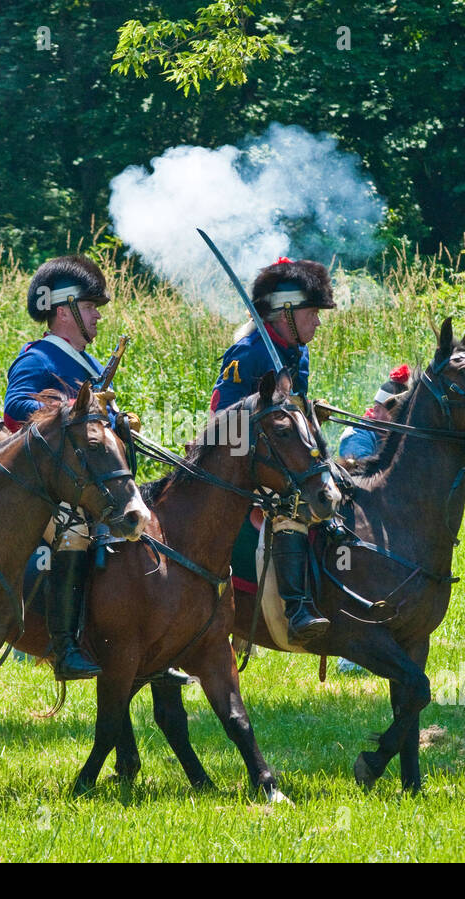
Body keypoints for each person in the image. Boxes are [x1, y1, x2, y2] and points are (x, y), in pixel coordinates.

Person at [211, 256, 335, 644]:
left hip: (287, 455)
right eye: (312, 313)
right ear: (286, 312)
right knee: (291, 509)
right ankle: (296, 610)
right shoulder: (249, 351)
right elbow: (222, 416)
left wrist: (308, 415)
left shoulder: (298, 351)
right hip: (246, 461)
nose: (317, 322)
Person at [2, 255, 112, 679]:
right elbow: (15, 409)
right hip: (50, 487)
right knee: (74, 529)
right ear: (64, 312)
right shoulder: (38, 359)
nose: (98, 315)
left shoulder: (92, 365)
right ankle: (64, 647)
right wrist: (71, 409)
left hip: (94, 481)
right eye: (90, 308)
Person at [337, 364, 410, 459]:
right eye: (396, 414)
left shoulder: (400, 435)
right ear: (377, 410)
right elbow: (361, 469)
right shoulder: (357, 436)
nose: (402, 421)